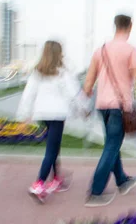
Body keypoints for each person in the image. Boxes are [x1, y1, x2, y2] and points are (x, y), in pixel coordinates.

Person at [83, 14, 136, 207]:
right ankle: (95, 191)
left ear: (115, 26)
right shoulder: (131, 50)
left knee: (112, 143)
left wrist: (86, 99)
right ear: (130, 26)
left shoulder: (100, 50)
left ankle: (122, 181)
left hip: (102, 105)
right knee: (112, 146)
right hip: (119, 106)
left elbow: (89, 82)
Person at [17, 40, 85, 202]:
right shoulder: (62, 72)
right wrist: (83, 109)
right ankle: (38, 183)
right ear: (59, 53)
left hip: (43, 115)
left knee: (53, 145)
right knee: (52, 149)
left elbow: (28, 95)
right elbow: (74, 94)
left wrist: (24, 115)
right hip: (58, 114)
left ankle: (56, 178)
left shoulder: (37, 72)